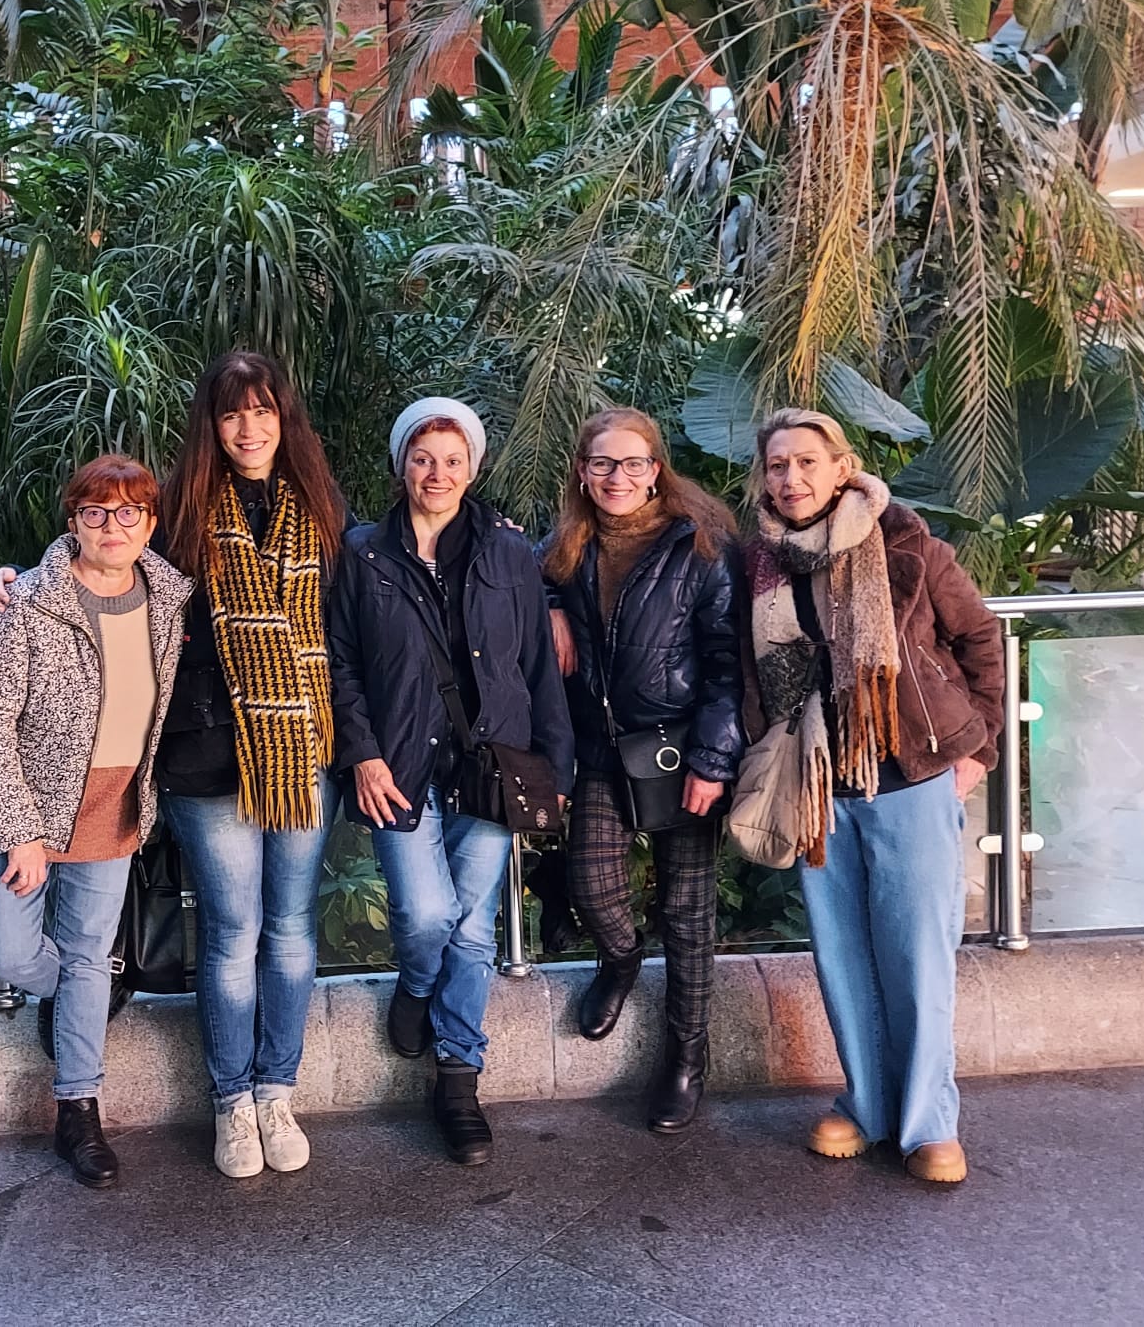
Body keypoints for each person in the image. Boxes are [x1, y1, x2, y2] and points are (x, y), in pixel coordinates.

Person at [0, 351, 349, 1181]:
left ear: (284, 419)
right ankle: (230, 1101)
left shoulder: (322, 512)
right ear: (211, 426)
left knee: (291, 931)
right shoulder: (182, 510)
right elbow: (103, 548)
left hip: (301, 754)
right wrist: (6, 578)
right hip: (203, 753)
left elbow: (352, 630)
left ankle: (275, 1091)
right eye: (231, 414)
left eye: (263, 411)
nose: (249, 428)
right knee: (232, 931)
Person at [743, 407, 1003, 1184]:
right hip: (816, 782)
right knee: (842, 955)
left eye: (807, 463)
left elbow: (981, 638)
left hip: (911, 773)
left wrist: (981, 746)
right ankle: (868, 1102)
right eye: (778, 465)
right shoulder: (758, 563)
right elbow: (749, 673)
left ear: (841, 465)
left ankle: (927, 1121)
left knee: (918, 954)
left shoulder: (906, 545)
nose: (792, 478)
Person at [328, 397, 574, 1166]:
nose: (438, 473)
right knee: (431, 913)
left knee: (474, 926)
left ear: (474, 466)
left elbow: (536, 663)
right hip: (397, 764)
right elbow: (339, 664)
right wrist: (361, 752)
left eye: (453, 459)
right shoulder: (362, 554)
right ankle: (415, 983)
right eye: (423, 457)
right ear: (402, 464)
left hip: (494, 763)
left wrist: (556, 766)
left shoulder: (508, 555)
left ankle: (459, 1075)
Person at [0, 454, 191, 1190]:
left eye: (129, 513)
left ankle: (78, 1109)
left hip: (111, 810)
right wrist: (19, 831)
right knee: (10, 956)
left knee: (87, 954)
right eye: (94, 512)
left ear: (150, 522)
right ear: (72, 520)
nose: (112, 527)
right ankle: (90, 988)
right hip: (12, 810)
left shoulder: (171, 597)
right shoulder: (23, 603)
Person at [541, 408, 743, 1133]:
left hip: (680, 749)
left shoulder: (701, 547)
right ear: (582, 472)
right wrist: (548, 609)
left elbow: (729, 663)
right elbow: (510, 586)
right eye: (602, 464)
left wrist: (714, 761)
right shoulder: (566, 548)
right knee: (593, 886)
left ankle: (685, 1059)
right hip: (601, 748)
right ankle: (620, 962)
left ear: (657, 469)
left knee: (688, 913)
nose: (617, 478)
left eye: (632, 464)